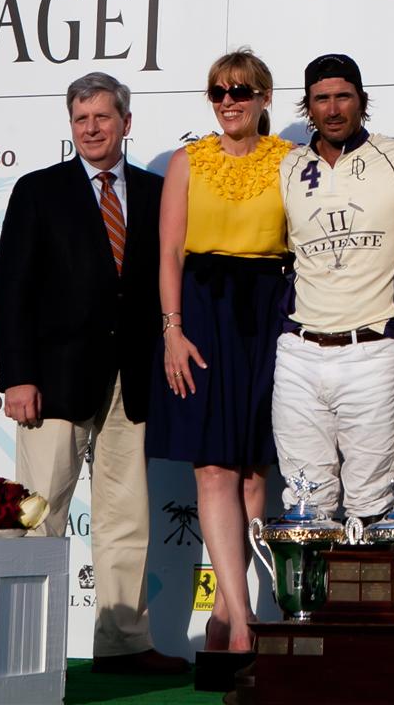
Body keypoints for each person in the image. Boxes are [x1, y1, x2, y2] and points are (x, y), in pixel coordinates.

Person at [0, 72, 186, 675]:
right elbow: (11, 289)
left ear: (126, 122)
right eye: (81, 119)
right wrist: (16, 376)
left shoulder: (157, 193)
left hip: (134, 380)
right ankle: (23, 646)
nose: (92, 129)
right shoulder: (37, 191)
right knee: (38, 515)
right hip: (53, 382)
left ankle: (124, 644)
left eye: (103, 117)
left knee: (126, 517)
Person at [148, 50, 294, 655]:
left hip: (269, 311)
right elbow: (169, 252)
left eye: (240, 91)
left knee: (256, 473)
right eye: (218, 92)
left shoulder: (291, 161)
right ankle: (241, 624)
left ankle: (224, 612)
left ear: (264, 97)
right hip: (202, 313)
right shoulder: (187, 161)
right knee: (213, 468)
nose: (229, 102)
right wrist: (172, 330)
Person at [273, 53, 394, 521]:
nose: (333, 109)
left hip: (371, 351)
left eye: (343, 97)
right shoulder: (287, 166)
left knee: (371, 502)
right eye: (322, 99)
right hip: (299, 353)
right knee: (305, 504)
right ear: (308, 106)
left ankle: (367, 574)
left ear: (362, 101)